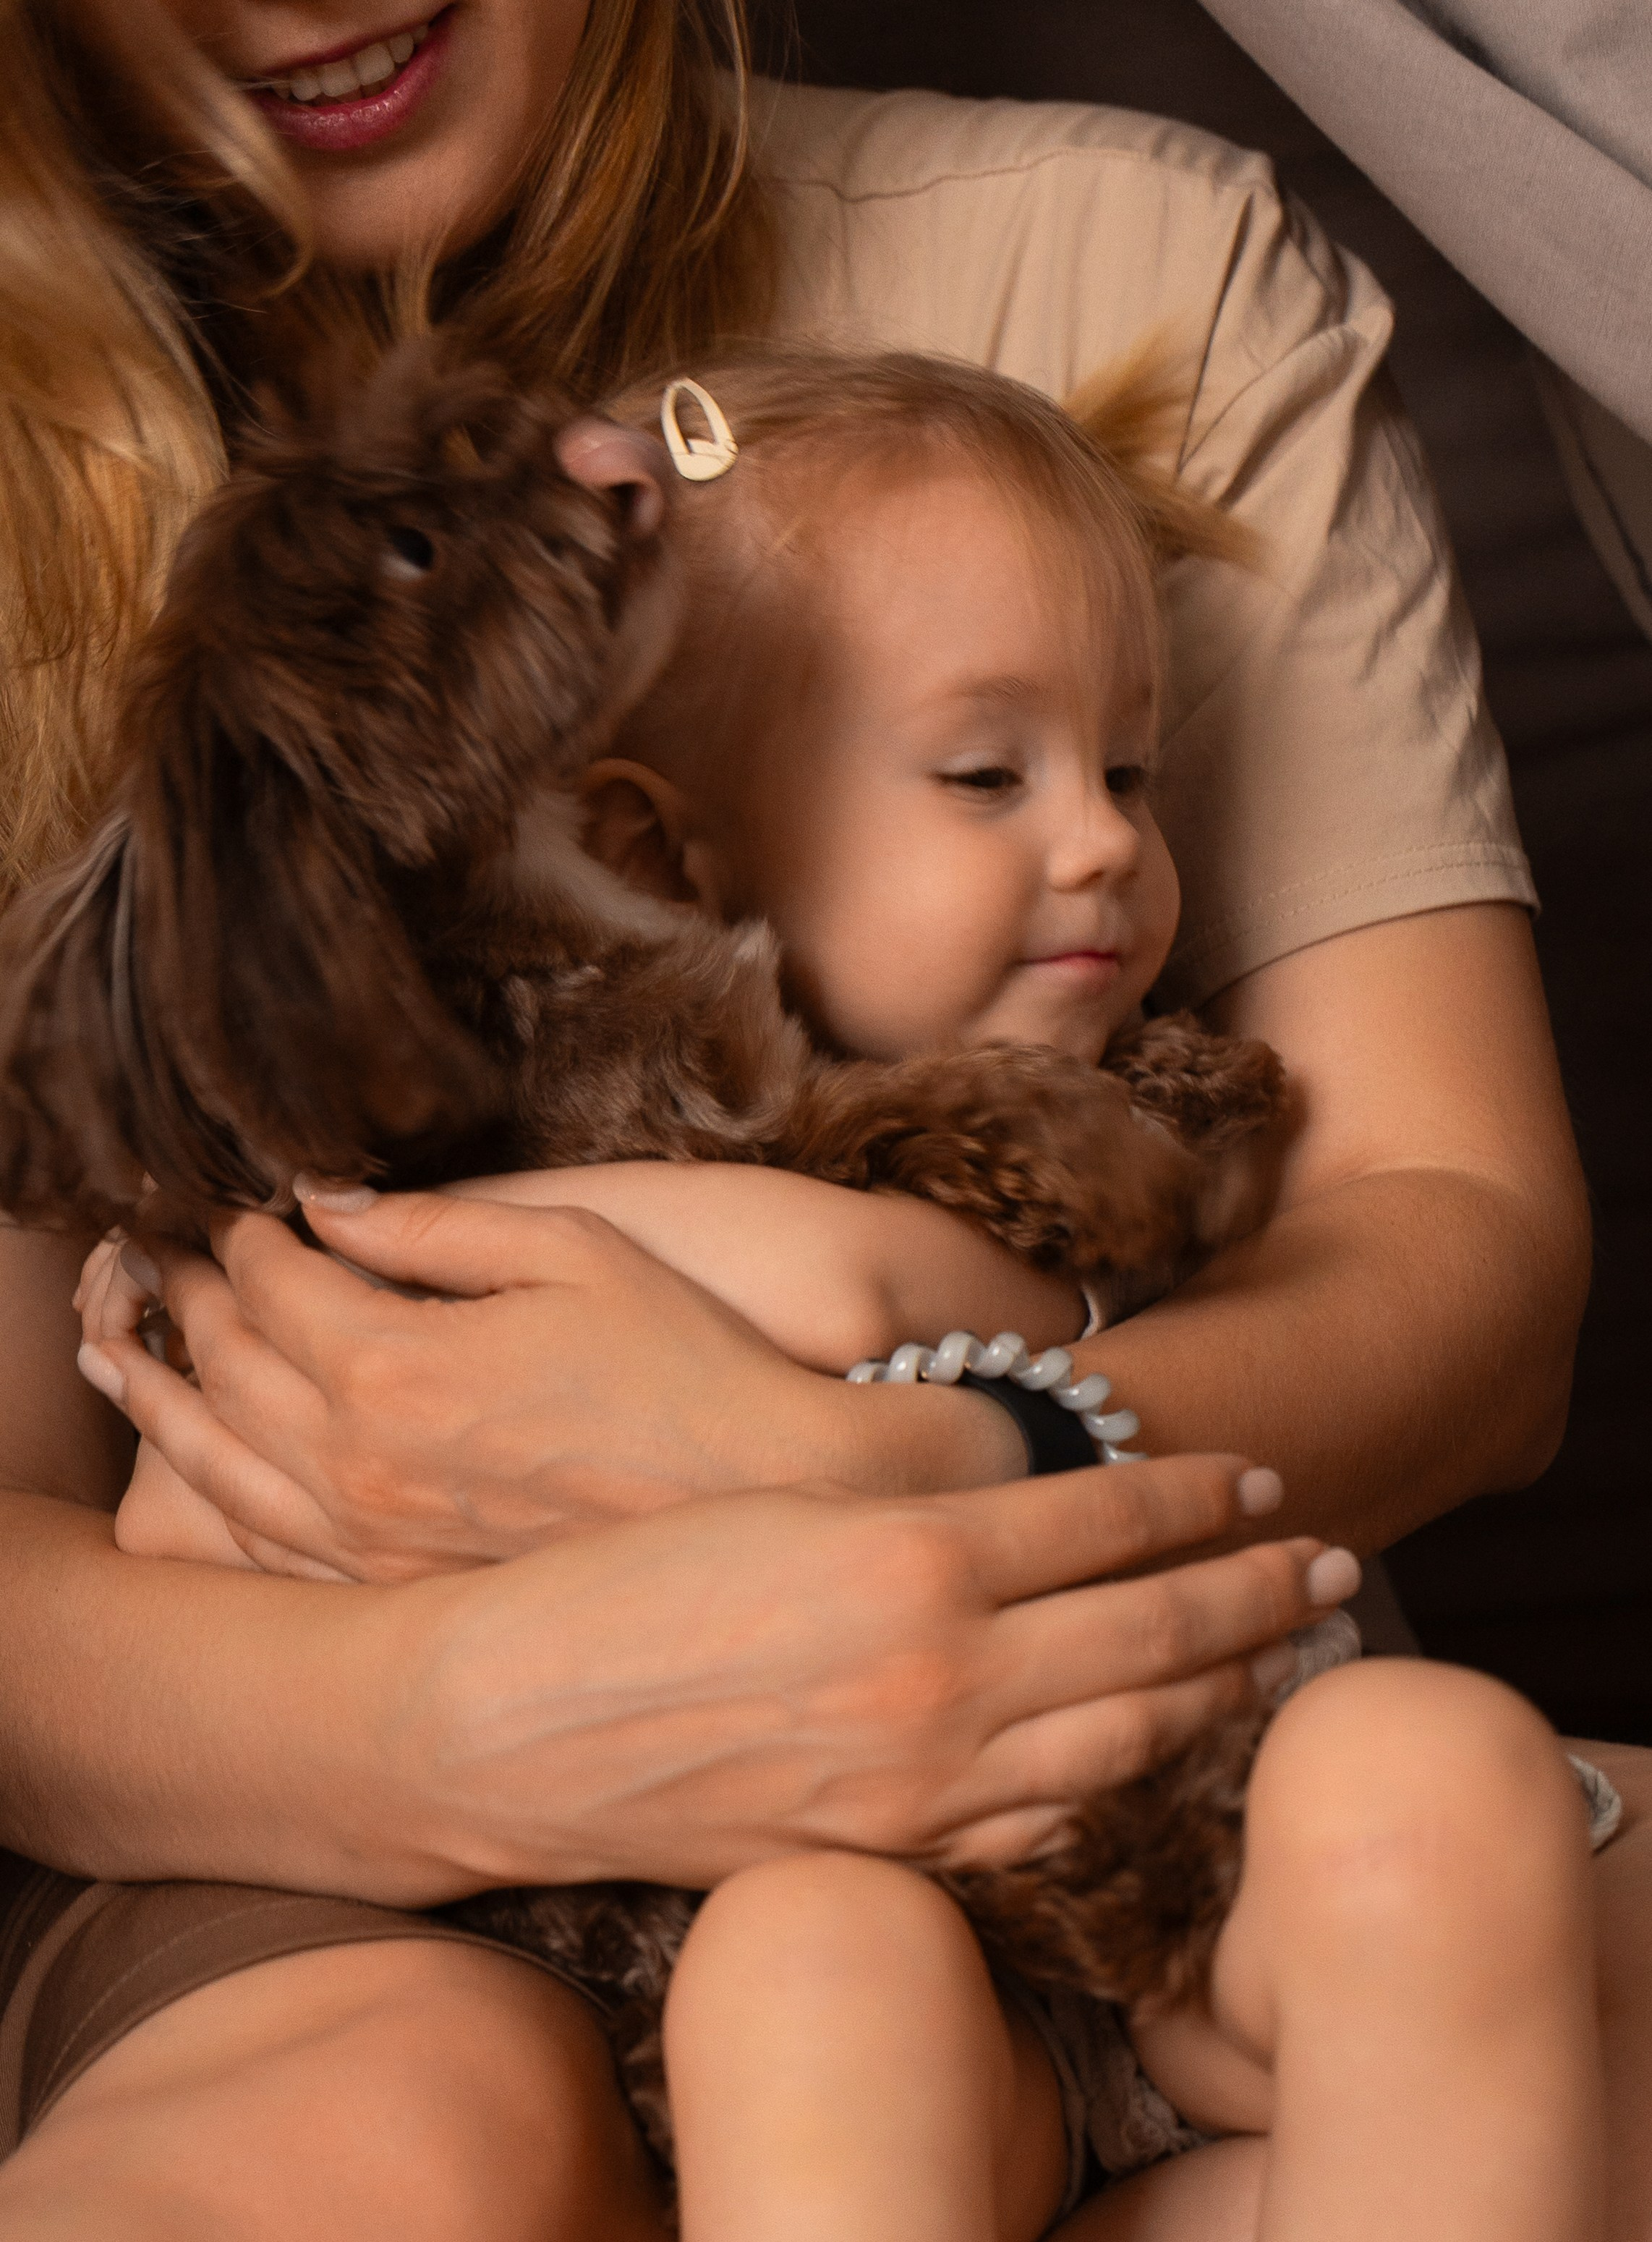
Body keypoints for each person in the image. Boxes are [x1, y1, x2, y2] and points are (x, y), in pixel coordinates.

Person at [1, 2, 1644, 2237]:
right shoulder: (86, 551)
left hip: (1121, 1772)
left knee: (1428, 1839)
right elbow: (88, 1515)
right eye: (987, 776)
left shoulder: (1108, 254)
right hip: (338, 1807)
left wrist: (933, 1456)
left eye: (1125, 774)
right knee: (435, 2116)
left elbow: (1444, 1243)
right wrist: (490, 1703)